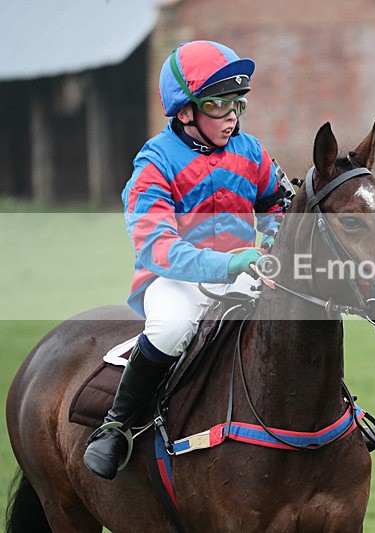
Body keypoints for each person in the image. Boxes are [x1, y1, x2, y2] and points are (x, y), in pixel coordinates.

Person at [83, 40, 291, 479]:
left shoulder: (251, 151)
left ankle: (330, 419)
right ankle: (115, 427)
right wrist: (228, 264)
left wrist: (270, 242)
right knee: (172, 327)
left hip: (245, 271)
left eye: (237, 103)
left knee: (294, 316)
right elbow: (156, 248)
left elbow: (277, 204)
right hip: (175, 280)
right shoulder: (154, 163)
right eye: (218, 105)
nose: (232, 115)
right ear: (184, 112)